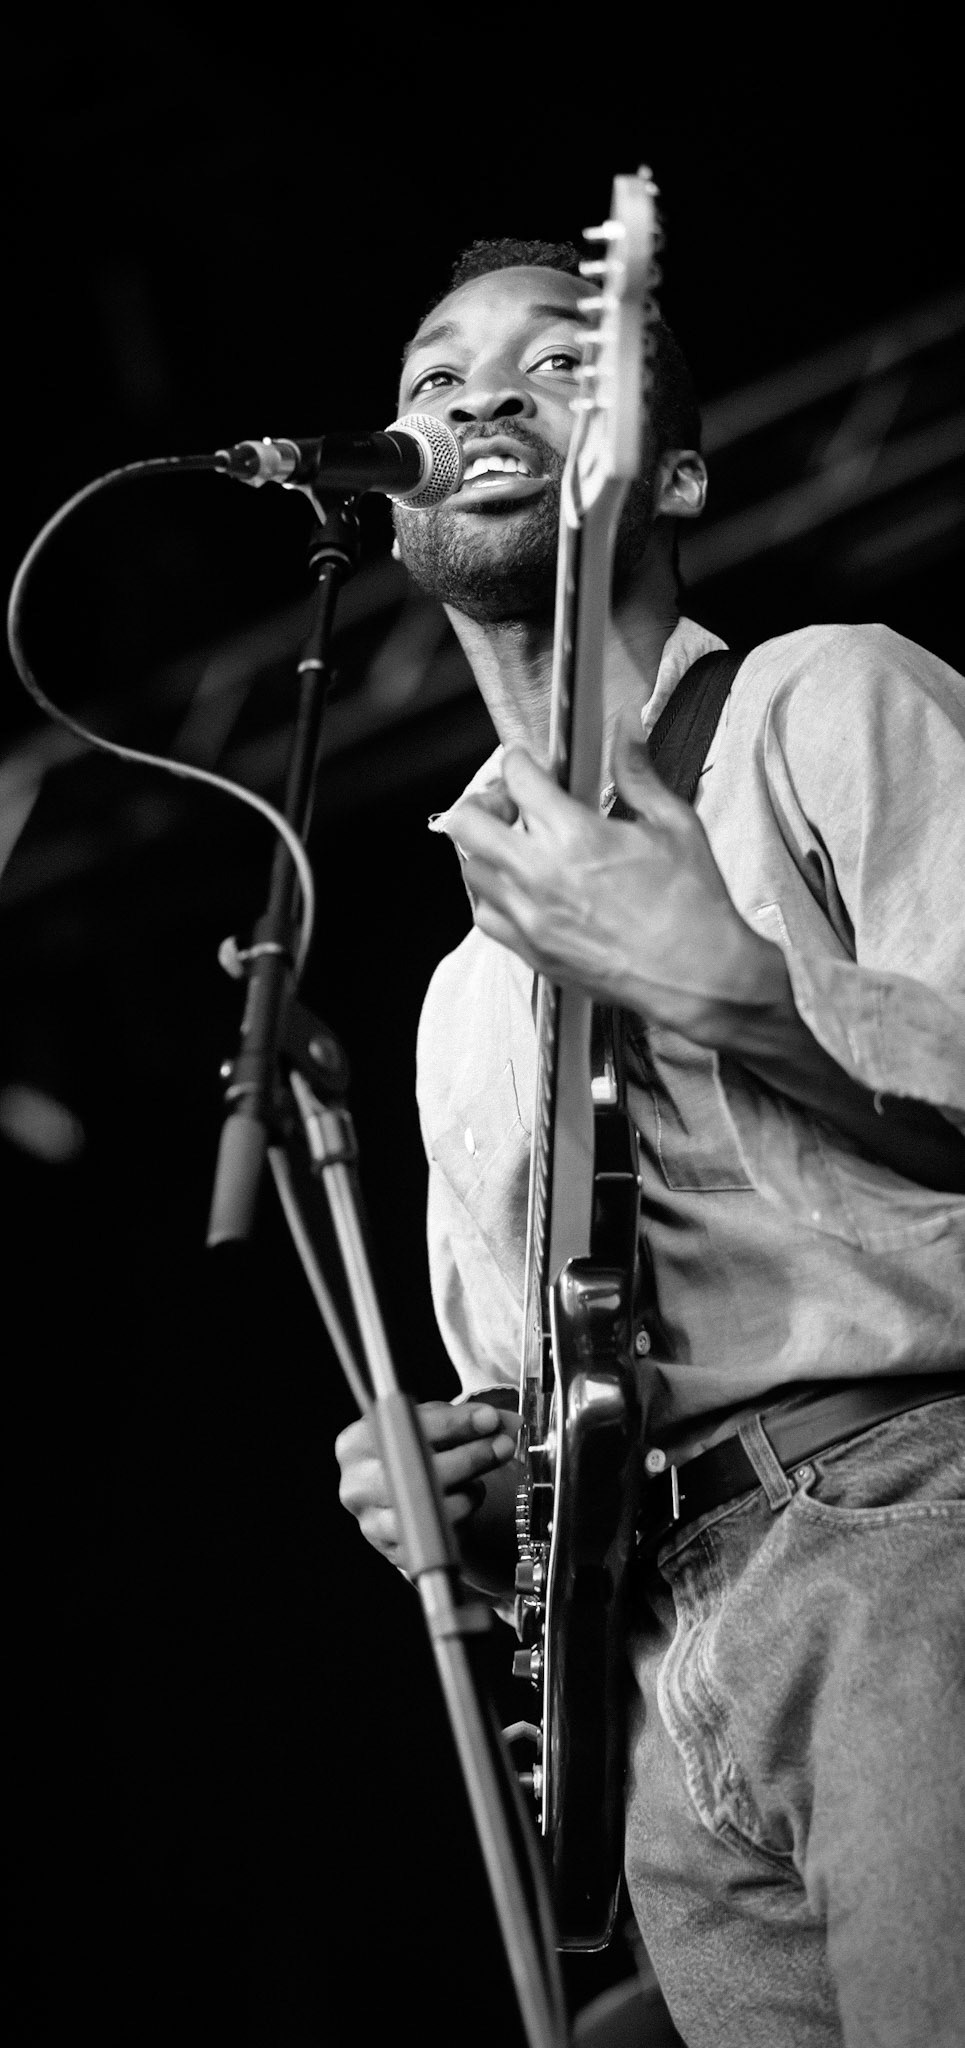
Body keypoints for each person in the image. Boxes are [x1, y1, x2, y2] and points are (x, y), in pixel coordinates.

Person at [334, 238, 965, 2048]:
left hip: (905, 1534)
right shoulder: (462, 992)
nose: (475, 399)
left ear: (674, 474)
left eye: (551, 362)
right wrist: (443, 1491)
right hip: (649, 1681)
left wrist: (737, 991)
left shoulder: (822, 701)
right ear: (390, 505)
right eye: (434, 379)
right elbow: (527, 1430)